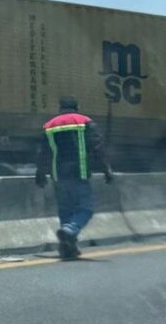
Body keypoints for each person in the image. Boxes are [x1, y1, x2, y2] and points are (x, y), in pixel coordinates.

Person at [35, 97, 115, 259]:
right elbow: (97, 147)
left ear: (60, 107)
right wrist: (106, 169)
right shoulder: (85, 121)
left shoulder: (49, 125)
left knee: (65, 209)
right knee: (85, 208)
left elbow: (43, 152)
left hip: (58, 174)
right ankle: (70, 230)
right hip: (79, 172)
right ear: (77, 107)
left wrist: (40, 172)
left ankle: (68, 247)